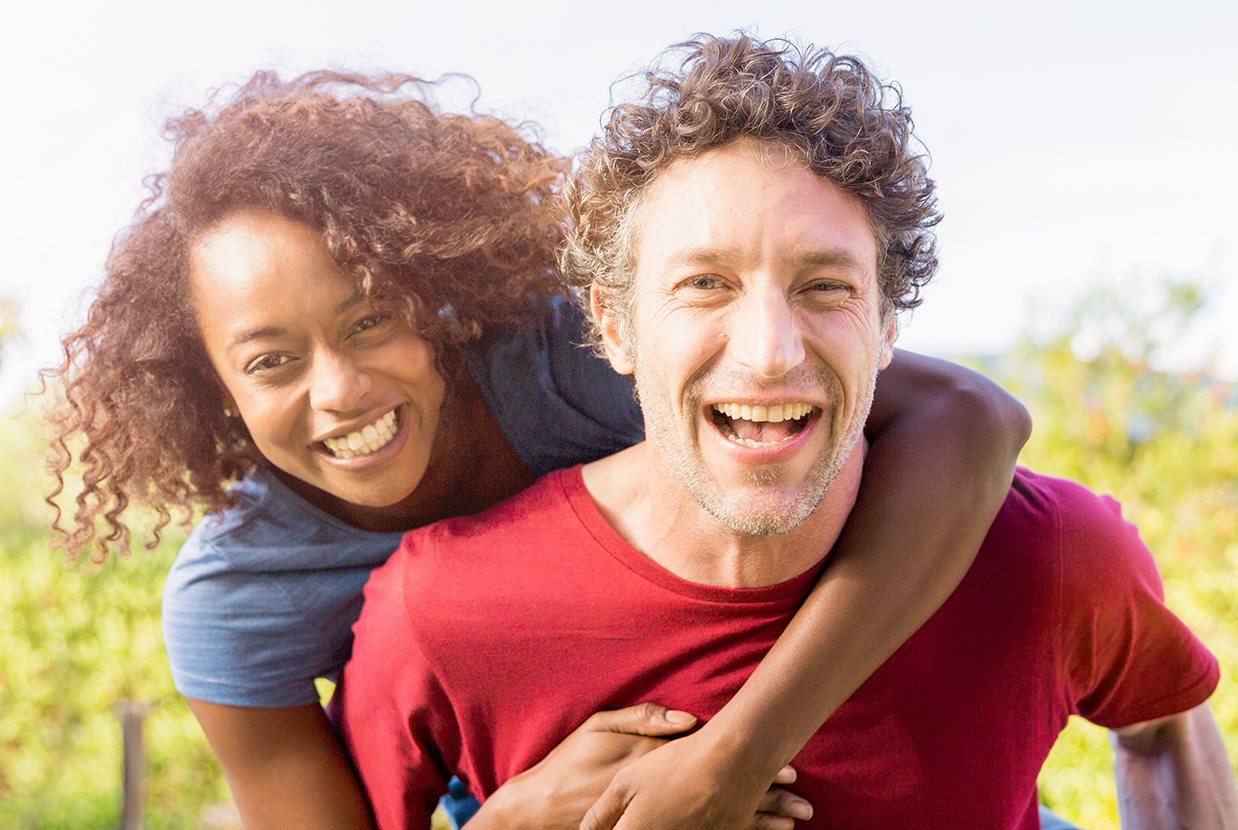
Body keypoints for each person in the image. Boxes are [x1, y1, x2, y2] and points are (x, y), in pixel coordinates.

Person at [46, 69, 1033, 829]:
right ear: (207, 383)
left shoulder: (568, 357)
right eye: (269, 360)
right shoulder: (236, 598)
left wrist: (725, 764)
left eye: (368, 322)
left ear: (430, 291)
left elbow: (973, 418)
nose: (340, 390)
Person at [335, 34, 1238, 829]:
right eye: (705, 283)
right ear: (613, 326)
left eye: (825, 286)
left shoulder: (1051, 557)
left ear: (887, 326)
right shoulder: (442, 612)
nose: (769, 352)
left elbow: (1166, 731)